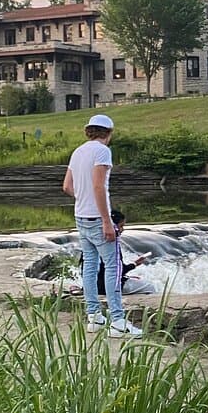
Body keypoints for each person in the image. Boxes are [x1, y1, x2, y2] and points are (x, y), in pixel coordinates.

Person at [62, 114, 142, 338]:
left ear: (89, 131)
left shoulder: (78, 151)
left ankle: (94, 317)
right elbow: (99, 187)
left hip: (81, 216)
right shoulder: (102, 151)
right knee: (113, 268)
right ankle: (117, 322)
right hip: (98, 219)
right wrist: (107, 221)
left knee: (89, 266)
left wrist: (83, 199)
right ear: (109, 132)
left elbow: (67, 186)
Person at [92, 209, 157, 296]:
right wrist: (134, 265)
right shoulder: (111, 245)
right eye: (121, 226)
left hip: (93, 286)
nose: (122, 230)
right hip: (109, 287)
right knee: (149, 287)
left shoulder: (92, 241)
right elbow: (118, 271)